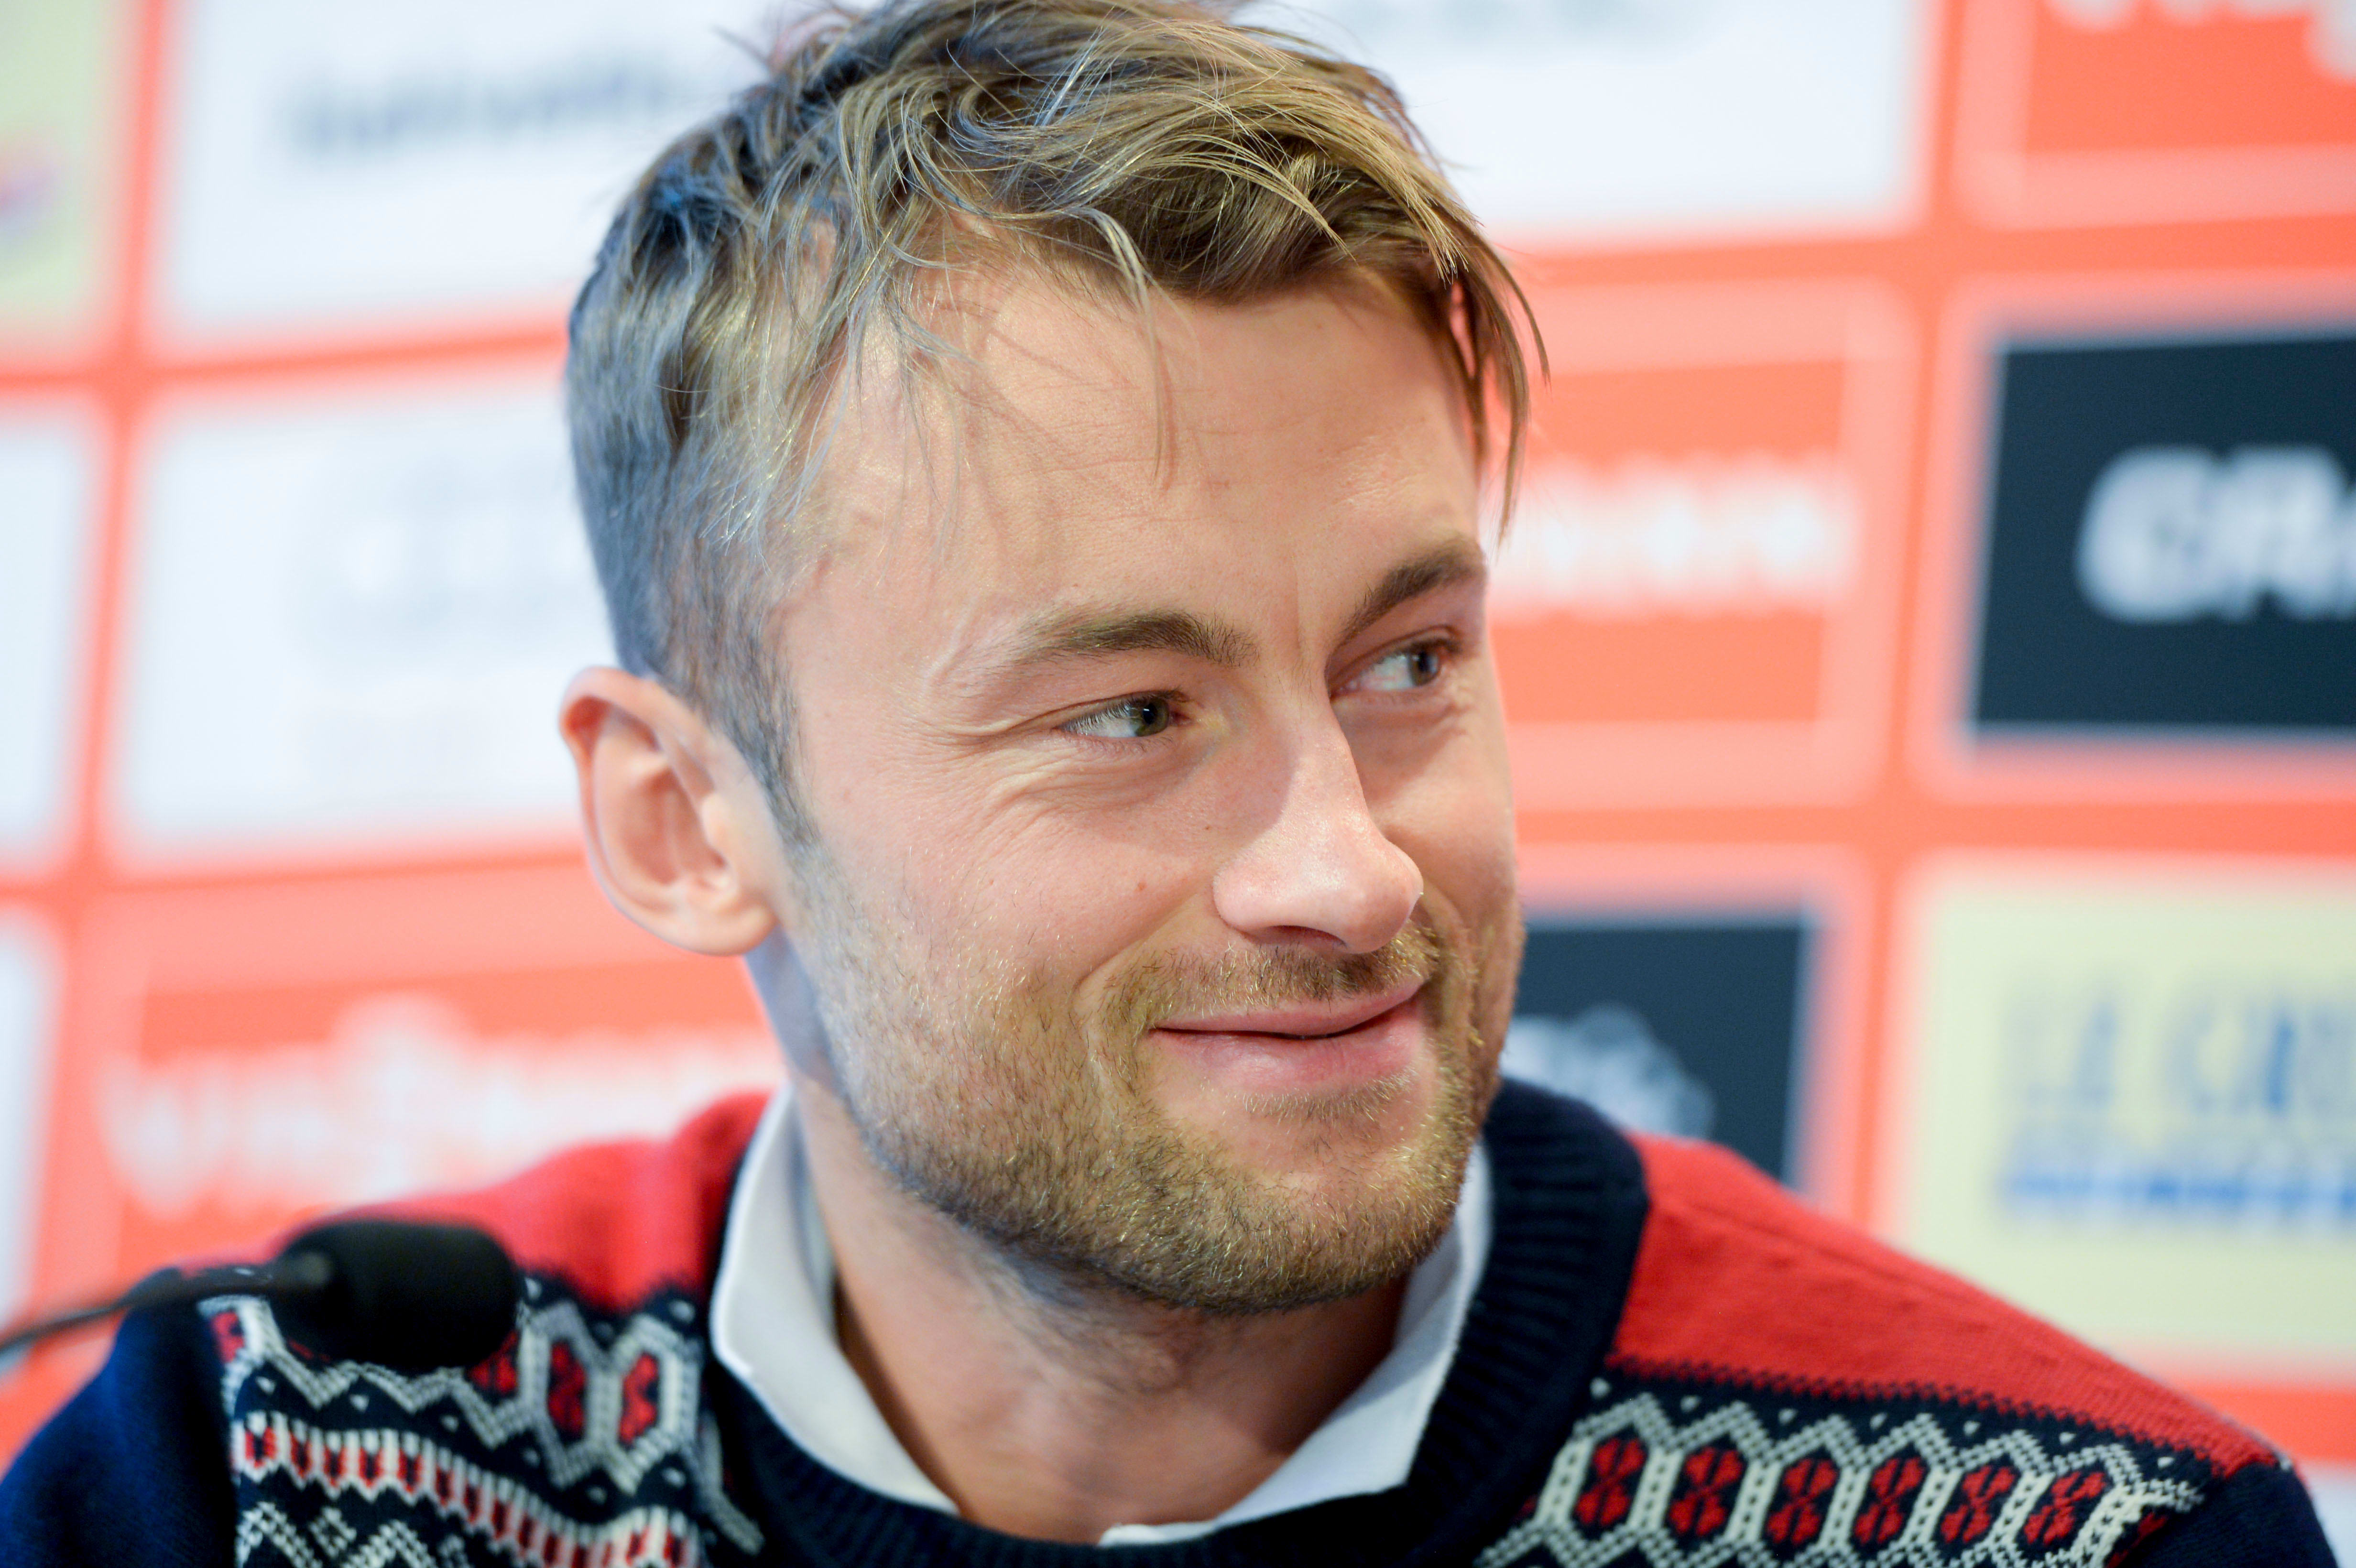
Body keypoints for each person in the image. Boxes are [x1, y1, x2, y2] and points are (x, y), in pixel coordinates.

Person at [0, 0, 2335, 1562]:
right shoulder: (275, 1474)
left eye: (1406, 661)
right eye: (1129, 714)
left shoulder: (2056, 1533)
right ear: (683, 825)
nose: (1345, 867)